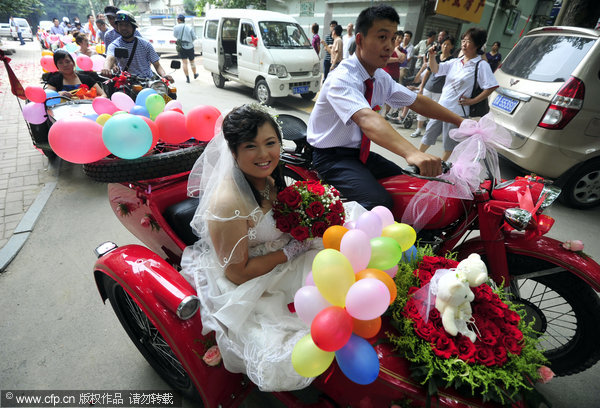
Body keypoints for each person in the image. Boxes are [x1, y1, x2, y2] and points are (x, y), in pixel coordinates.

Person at [180, 104, 363, 391]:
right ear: (233, 151)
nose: (264, 155)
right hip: (253, 275)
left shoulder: (269, 177)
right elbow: (237, 274)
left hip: (284, 250)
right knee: (292, 338)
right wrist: (290, 251)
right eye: (251, 146)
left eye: (270, 143)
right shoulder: (228, 203)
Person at [307, 5, 463, 210]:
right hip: (331, 157)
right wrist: (412, 153)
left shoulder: (380, 77)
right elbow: (367, 119)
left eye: (393, 38)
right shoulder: (342, 78)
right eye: (382, 37)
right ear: (361, 40)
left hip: (358, 155)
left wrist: (461, 122)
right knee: (379, 203)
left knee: (407, 185)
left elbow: (416, 101)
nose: (390, 46)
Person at [419, 28, 498, 161]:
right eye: (463, 40)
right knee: (429, 134)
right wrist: (432, 56)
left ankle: (441, 167)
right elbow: (436, 69)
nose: (464, 44)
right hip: (441, 107)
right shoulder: (455, 62)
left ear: (477, 45)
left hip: (457, 112)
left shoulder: (480, 64)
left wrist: (473, 101)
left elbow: (491, 86)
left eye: (468, 41)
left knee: (449, 144)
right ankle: (416, 158)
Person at [102, 11, 173, 82]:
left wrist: (164, 75)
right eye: (120, 25)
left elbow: (157, 65)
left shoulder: (145, 44)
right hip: (126, 83)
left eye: (126, 25)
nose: (123, 28)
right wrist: (106, 68)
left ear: (133, 27)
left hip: (147, 81)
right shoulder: (114, 45)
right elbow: (110, 58)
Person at [411, 36, 455, 138]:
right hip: (428, 87)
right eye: (444, 44)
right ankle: (418, 129)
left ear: (452, 46)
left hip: (440, 91)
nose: (445, 46)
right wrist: (421, 86)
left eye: (448, 44)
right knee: (422, 109)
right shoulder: (435, 57)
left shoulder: (453, 61)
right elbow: (428, 72)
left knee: (435, 113)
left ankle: (429, 132)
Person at [383, 31, 406, 120]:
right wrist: (397, 59)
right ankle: (376, 111)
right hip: (386, 74)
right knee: (381, 95)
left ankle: (386, 113)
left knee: (390, 96)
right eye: (398, 37)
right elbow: (386, 59)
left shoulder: (402, 50)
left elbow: (402, 59)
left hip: (395, 75)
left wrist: (396, 49)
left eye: (401, 38)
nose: (400, 39)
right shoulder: (387, 46)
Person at [173, 14, 198, 83]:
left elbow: (175, 35)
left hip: (181, 47)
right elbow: (194, 37)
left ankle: (187, 78)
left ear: (179, 20)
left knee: (184, 63)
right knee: (192, 62)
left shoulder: (175, 27)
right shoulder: (189, 27)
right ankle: (195, 74)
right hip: (190, 46)